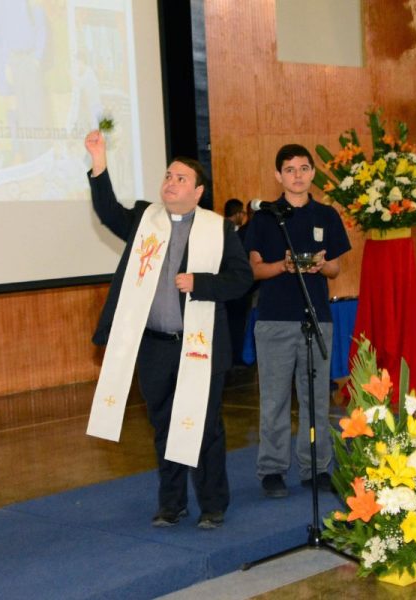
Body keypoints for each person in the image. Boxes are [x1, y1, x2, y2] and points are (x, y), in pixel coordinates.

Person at [83, 130, 252, 529]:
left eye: (180, 179)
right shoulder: (146, 221)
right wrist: (99, 161)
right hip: (155, 347)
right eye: (167, 176)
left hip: (201, 346)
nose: (170, 183)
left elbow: (241, 279)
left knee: (204, 426)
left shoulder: (218, 230)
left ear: (198, 192)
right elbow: (108, 212)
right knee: (163, 426)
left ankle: (213, 505)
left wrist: (202, 283)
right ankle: (171, 505)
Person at [244, 144, 351, 498]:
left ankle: (317, 467)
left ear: (312, 173)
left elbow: (336, 268)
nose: (298, 175)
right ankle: (272, 470)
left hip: (317, 319)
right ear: (278, 175)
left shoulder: (327, 215)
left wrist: (321, 265)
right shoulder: (263, 218)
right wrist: (284, 266)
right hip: (274, 319)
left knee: (317, 399)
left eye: (304, 168)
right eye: (290, 169)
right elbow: (255, 269)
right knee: (274, 400)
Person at [223, 198, 249, 365]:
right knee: (236, 325)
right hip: (235, 285)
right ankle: (235, 358)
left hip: (223, 284)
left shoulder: (217, 228)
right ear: (238, 213)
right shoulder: (234, 232)